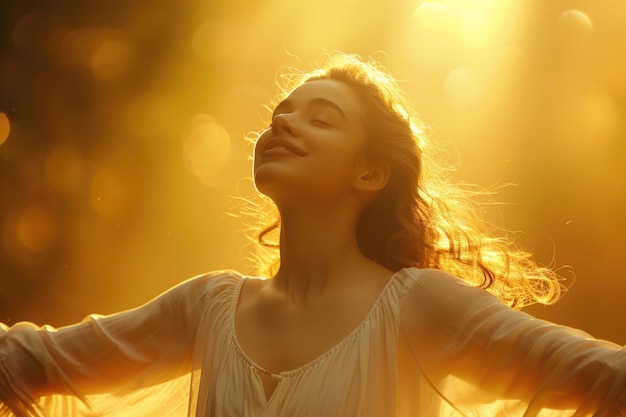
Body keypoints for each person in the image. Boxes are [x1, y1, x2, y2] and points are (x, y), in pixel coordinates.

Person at [1, 53, 625, 417]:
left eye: (320, 119)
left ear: (370, 172)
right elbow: (29, 362)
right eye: (281, 116)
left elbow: (597, 373)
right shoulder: (206, 308)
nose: (286, 125)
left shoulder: (418, 306)